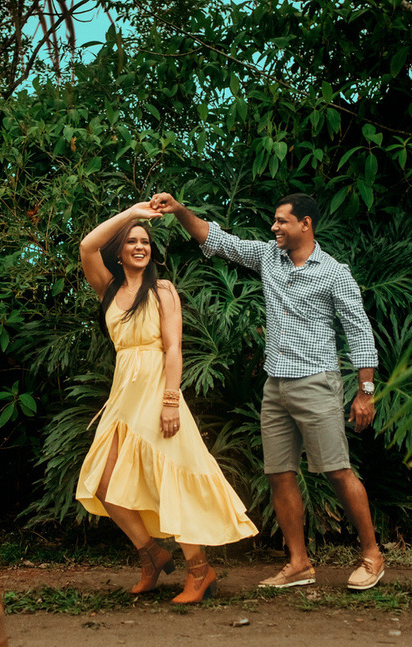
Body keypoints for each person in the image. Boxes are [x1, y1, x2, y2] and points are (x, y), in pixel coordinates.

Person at [149, 191, 385, 591]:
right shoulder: (268, 258)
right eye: (274, 221)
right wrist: (179, 210)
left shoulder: (333, 272)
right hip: (276, 386)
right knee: (279, 474)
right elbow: (218, 240)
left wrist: (365, 391)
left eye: (281, 221)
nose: (273, 227)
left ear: (305, 225)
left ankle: (372, 555)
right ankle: (299, 564)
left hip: (317, 382)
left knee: (337, 471)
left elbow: (360, 332)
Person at [74, 202, 259, 603]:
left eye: (145, 242)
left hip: (159, 391)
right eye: (132, 242)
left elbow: (174, 348)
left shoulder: (162, 290)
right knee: (103, 483)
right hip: (123, 395)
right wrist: (133, 213)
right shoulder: (108, 288)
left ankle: (200, 570)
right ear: (120, 252)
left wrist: (172, 401)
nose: (140, 246)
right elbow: (88, 245)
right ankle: (152, 554)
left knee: (172, 476)